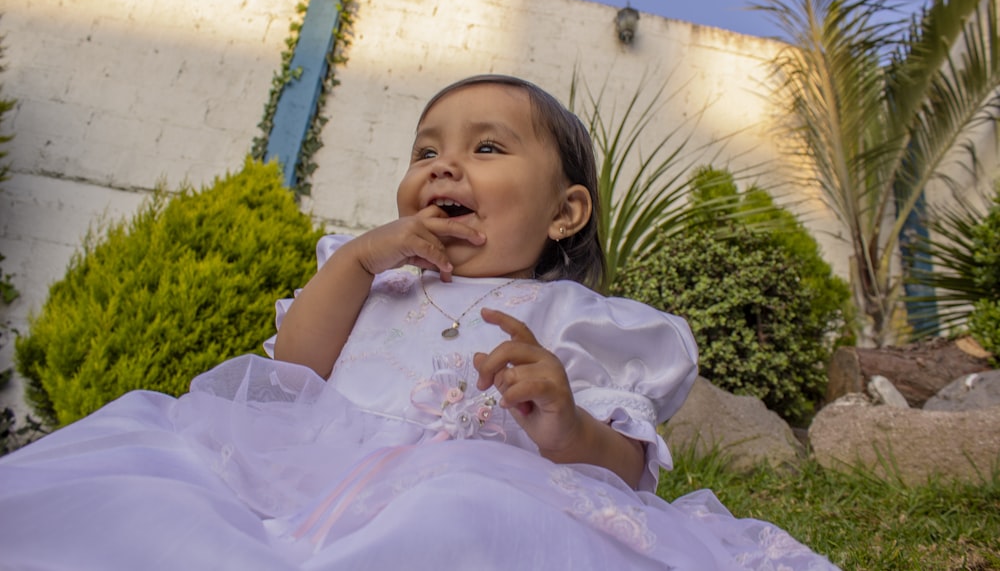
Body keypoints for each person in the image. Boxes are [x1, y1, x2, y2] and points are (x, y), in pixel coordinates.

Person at [0, 75, 839, 570]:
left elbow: (627, 468)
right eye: (426, 148)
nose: (443, 162)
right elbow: (291, 373)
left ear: (565, 211)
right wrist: (356, 262)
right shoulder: (375, 281)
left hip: (462, 486)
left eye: (487, 148)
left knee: (453, 524)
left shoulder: (578, 321)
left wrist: (566, 418)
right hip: (288, 474)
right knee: (148, 490)